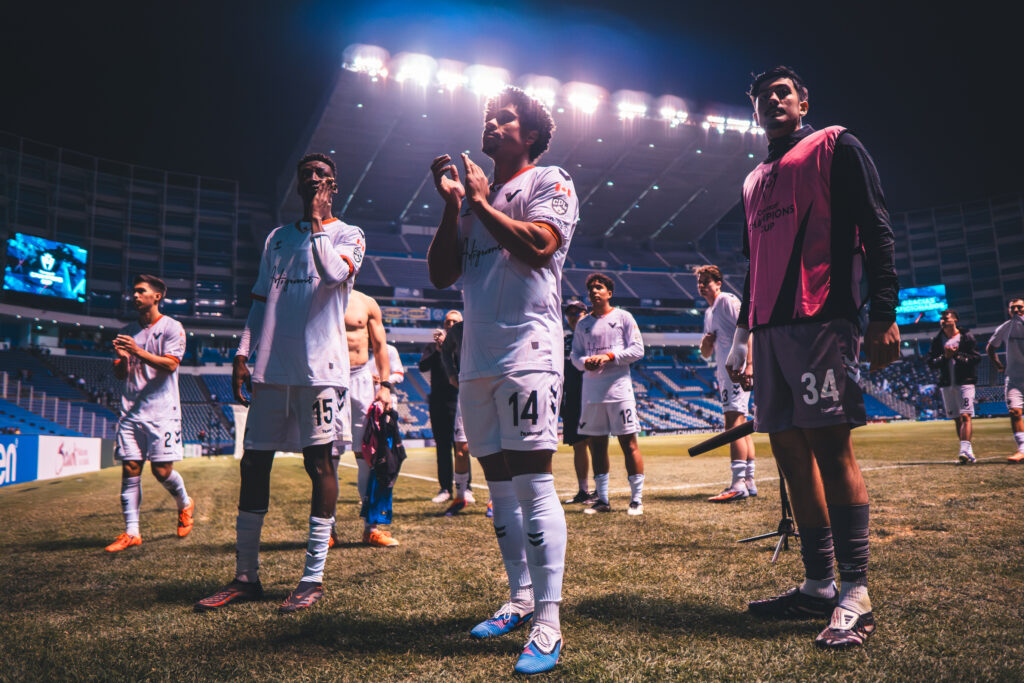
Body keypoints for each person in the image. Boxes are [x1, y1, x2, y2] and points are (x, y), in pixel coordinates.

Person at [732, 66, 900, 649]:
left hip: (821, 319)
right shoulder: (753, 180)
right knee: (790, 457)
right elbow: (753, 267)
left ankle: (856, 592)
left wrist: (884, 312)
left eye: (782, 92)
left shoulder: (835, 144)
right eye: (762, 96)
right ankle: (818, 584)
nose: (772, 100)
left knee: (831, 448)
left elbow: (877, 229)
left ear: (803, 100)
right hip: (771, 331)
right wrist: (743, 336)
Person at [427, 85, 577, 674]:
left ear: (532, 135)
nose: (492, 122)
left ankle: (549, 619)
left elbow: (541, 247)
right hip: (478, 357)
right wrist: (451, 205)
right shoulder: (469, 201)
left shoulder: (550, 180)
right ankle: (517, 598)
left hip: (529, 349)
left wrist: (485, 205)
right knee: (500, 487)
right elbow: (443, 275)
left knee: (533, 480)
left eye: (506, 118)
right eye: (490, 116)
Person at [195, 152, 365, 614]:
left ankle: (312, 579)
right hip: (271, 370)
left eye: (321, 176)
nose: (312, 180)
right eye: (305, 175)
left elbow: (333, 274)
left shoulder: (350, 235)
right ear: (296, 183)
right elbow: (258, 301)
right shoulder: (275, 238)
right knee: (253, 464)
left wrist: (316, 222)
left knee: (319, 466)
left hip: (320, 372)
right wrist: (242, 352)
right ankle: (245, 577)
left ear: (334, 185)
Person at [105, 274, 192, 552]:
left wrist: (136, 350)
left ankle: (185, 503)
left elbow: (169, 365)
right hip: (130, 411)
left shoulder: (172, 327)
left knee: (162, 471)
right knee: (130, 469)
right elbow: (121, 373)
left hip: (162, 412)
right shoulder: (128, 330)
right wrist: (121, 357)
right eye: (134, 291)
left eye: (141, 291)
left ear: (157, 296)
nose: (135, 295)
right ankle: (132, 532)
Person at [570, 273, 646, 515]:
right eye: (591, 288)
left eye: (599, 287)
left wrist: (609, 356)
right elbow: (575, 356)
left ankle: (636, 499)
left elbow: (637, 350)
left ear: (609, 293)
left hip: (619, 391)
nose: (594, 291)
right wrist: (585, 363)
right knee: (597, 446)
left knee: (629, 444)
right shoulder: (583, 325)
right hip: (592, 393)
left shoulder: (623, 317)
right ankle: (602, 499)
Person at [695, 264, 757, 502]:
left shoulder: (727, 302)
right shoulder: (709, 312)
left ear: (718, 283)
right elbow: (705, 353)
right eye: (700, 282)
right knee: (741, 424)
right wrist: (706, 343)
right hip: (726, 374)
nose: (702, 286)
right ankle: (749, 481)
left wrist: (750, 364)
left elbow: (748, 330)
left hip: (737, 372)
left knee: (732, 424)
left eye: (707, 281)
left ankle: (737, 483)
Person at [338, 290, 394, 546]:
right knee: (327, 456)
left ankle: (371, 528)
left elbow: (380, 345)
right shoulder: (318, 295)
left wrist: (385, 385)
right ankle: (327, 530)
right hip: (328, 378)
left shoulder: (367, 302)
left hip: (361, 378)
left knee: (369, 456)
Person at [419, 310, 463, 503]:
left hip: (459, 398)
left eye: (455, 321)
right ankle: (445, 488)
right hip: (438, 401)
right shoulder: (431, 346)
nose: (450, 324)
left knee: (461, 445)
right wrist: (438, 350)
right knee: (442, 447)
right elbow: (422, 367)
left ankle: (465, 486)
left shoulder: (463, 346)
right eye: (448, 321)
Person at [926, 309, 980, 463]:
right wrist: (945, 357)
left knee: (965, 415)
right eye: (941, 318)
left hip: (965, 382)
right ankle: (967, 451)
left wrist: (956, 355)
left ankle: (963, 450)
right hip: (947, 383)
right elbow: (931, 363)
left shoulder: (966, 337)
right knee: (957, 418)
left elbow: (976, 358)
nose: (943, 320)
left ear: (955, 319)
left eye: (946, 318)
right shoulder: (937, 340)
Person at [439, 319, 479, 516]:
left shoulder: (491, 320)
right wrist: (452, 374)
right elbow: (446, 352)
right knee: (461, 448)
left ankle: (494, 500)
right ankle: (460, 496)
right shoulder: (459, 329)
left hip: (495, 388)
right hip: (467, 390)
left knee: (496, 447)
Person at [561, 297, 595, 505]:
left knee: (595, 443)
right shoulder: (563, 341)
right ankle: (583, 491)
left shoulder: (593, 336)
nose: (573, 317)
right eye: (569, 314)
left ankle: (600, 490)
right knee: (578, 445)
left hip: (591, 395)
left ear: (585, 313)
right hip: (571, 399)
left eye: (577, 313)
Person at [987, 297, 1024, 462]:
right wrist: (998, 364)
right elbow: (990, 347)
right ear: (1009, 311)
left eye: (1020, 307)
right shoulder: (1005, 328)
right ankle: (1022, 449)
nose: (1016, 310)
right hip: (1014, 379)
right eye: (1013, 308)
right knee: (1014, 412)